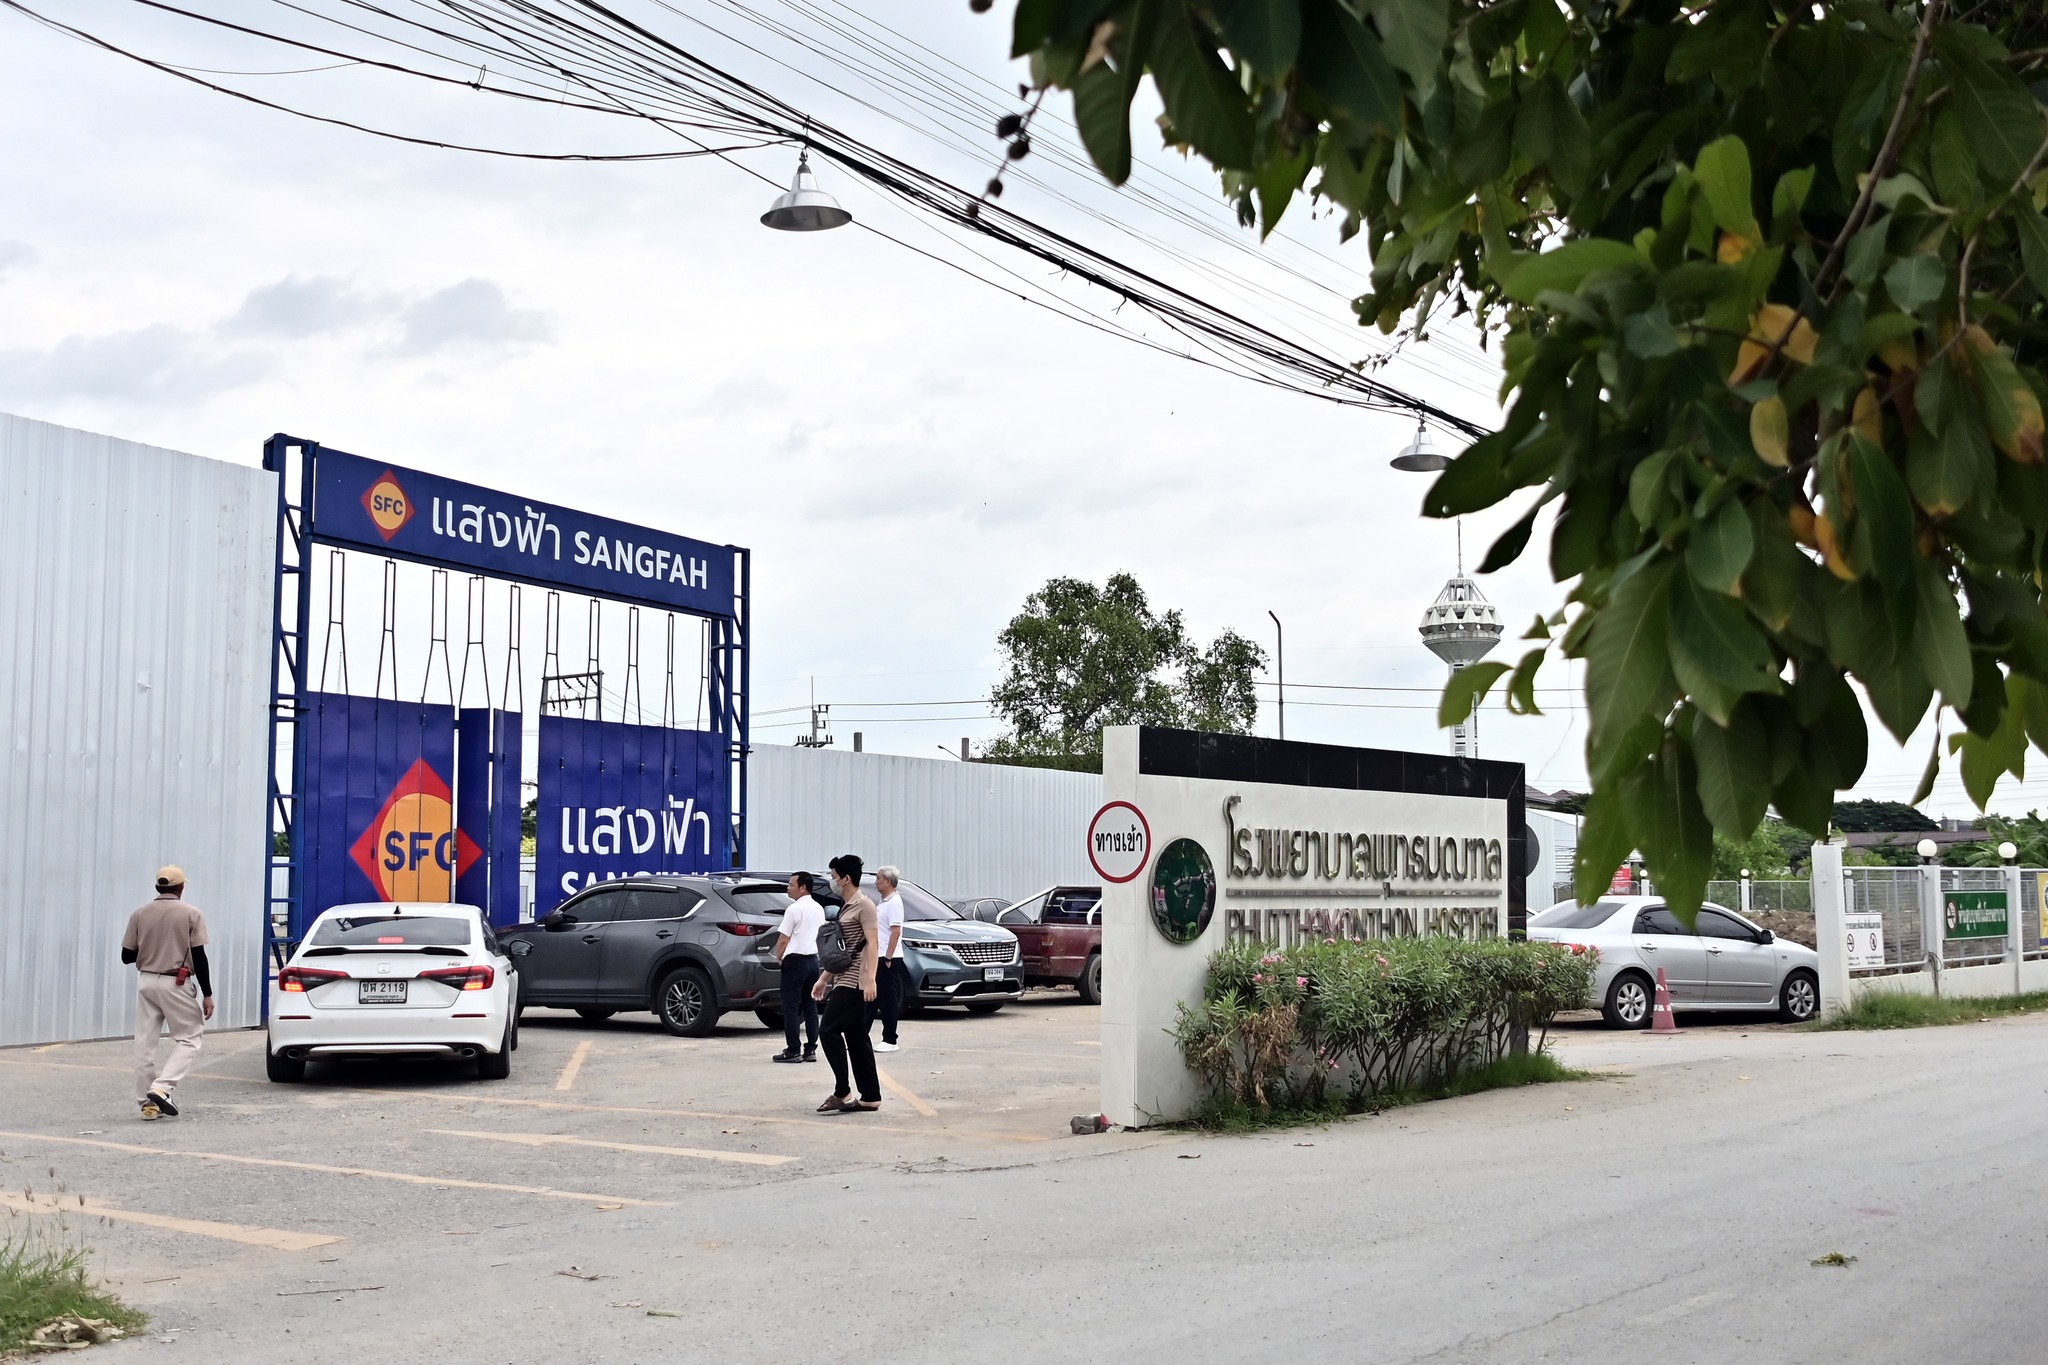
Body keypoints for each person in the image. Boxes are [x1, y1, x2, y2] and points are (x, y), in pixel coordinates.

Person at [121, 866, 214, 1121]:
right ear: (181, 888)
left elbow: (126, 956)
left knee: (145, 1043)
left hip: (147, 981)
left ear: (157, 887)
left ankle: (147, 1104)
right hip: (177, 982)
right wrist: (207, 993)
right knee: (190, 1037)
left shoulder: (139, 913)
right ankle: (162, 1087)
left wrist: (151, 947)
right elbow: (199, 956)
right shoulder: (191, 914)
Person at [812, 853, 880, 1113]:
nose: (832, 881)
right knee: (856, 1036)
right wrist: (823, 979)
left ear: (846, 879)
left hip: (856, 982)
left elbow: (873, 944)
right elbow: (844, 950)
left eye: (834, 877)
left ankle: (843, 1091)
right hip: (843, 977)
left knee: (827, 1031)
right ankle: (870, 1095)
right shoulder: (847, 906)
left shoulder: (865, 905)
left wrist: (871, 979)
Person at [770, 871, 824, 1064]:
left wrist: (779, 957)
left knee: (791, 1008)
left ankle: (793, 1050)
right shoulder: (819, 908)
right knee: (810, 1007)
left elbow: (783, 938)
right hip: (812, 961)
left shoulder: (794, 909)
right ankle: (810, 1050)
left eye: (791, 884)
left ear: (803, 887)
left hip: (795, 961)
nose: (788, 887)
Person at [869, 865, 908, 1051]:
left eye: (878, 878)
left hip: (888, 957)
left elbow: (896, 931)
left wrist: (888, 956)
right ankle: (860, 1036)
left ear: (888, 881)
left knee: (888, 999)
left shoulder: (894, 902)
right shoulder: (883, 902)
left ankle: (890, 1039)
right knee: (871, 998)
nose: (876, 882)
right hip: (877, 955)